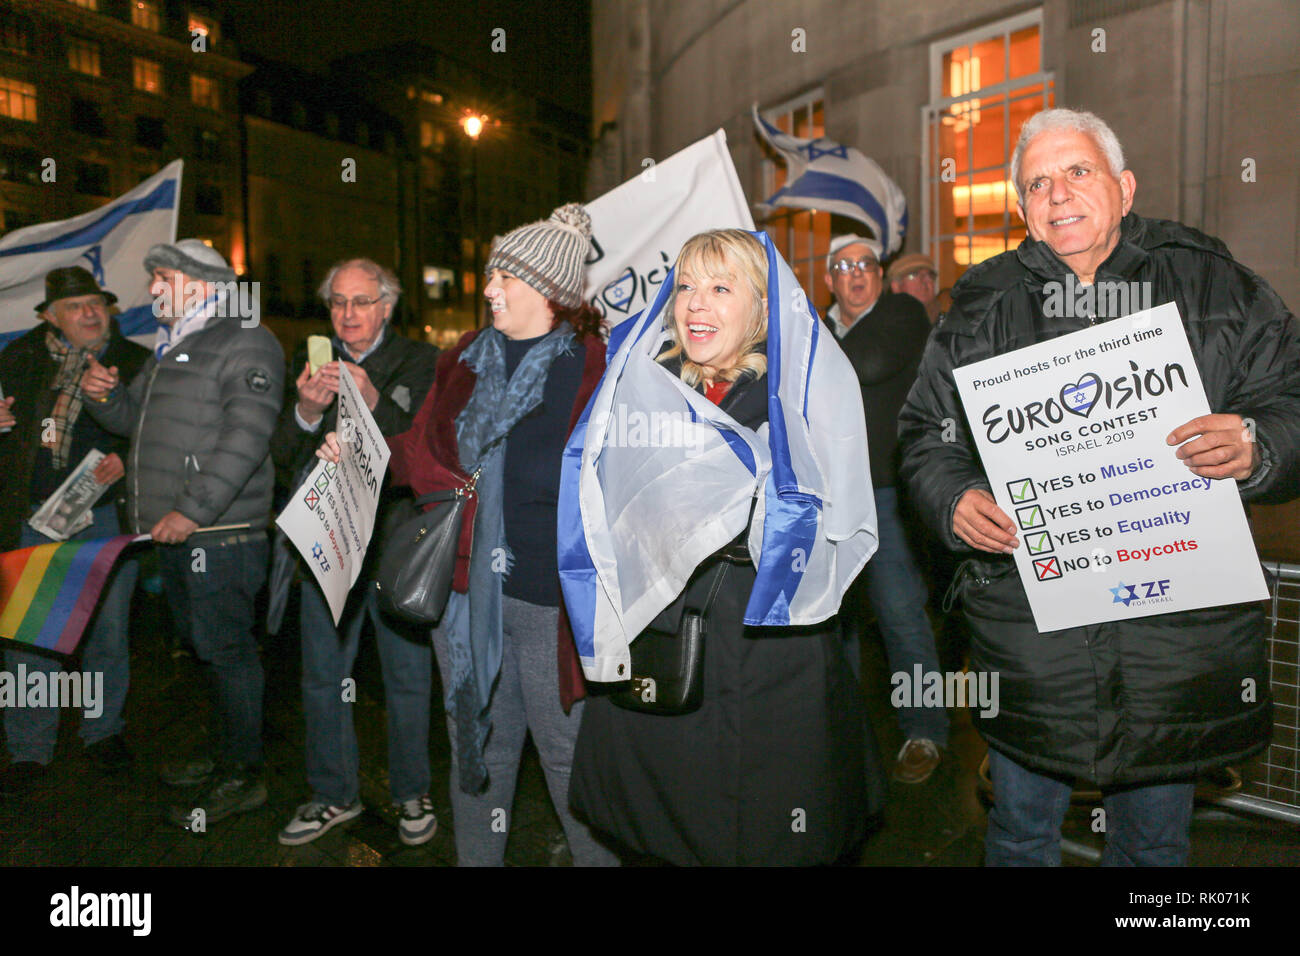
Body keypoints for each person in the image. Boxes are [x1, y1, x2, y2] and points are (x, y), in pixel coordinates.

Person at [898, 108, 1300, 865]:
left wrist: (1260, 443)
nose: (1058, 194)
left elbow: (1294, 396)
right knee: (1018, 838)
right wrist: (951, 500)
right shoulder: (980, 304)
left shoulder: (1214, 282)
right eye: (1038, 183)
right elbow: (925, 435)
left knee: (1153, 848)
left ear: (1123, 186)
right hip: (1033, 649)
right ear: (1022, 210)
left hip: (1173, 655)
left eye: (1077, 172)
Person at [566, 229, 880, 865]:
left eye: (719, 288)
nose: (695, 305)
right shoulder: (648, 387)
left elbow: (810, 527)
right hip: (663, 634)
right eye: (684, 287)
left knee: (752, 828)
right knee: (660, 824)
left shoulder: (794, 399)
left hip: (759, 648)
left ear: (763, 311)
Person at [318, 204, 614, 866]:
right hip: (463, 593)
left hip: (550, 603)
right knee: (477, 751)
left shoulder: (595, 369)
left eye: (503, 276)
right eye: (490, 275)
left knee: (568, 764)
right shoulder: (462, 361)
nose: (487, 290)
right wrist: (359, 451)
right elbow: (419, 450)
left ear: (548, 288)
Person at [81, 240, 284, 827]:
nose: (151, 291)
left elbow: (246, 437)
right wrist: (107, 396)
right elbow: (129, 424)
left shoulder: (247, 339)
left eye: (161, 278)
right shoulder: (173, 346)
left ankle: (245, 775)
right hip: (176, 535)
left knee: (227, 651)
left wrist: (193, 510)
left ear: (198, 283)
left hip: (219, 533)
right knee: (205, 649)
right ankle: (225, 753)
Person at [272, 258, 440, 847]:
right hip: (328, 541)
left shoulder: (422, 361)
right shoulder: (310, 359)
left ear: (387, 306)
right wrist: (308, 411)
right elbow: (281, 450)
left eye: (361, 302)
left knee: (407, 677)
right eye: (339, 302)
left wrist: (374, 402)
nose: (348, 314)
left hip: (397, 545)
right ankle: (333, 795)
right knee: (323, 676)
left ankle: (412, 791)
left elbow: (425, 454)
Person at [0, 267, 148, 794]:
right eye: (75, 306)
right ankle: (28, 751)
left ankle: (103, 733)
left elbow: (161, 431)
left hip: (104, 516)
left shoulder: (133, 361)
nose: (89, 314)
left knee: (107, 633)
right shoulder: (17, 359)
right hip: (34, 516)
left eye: (96, 303)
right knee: (28, 637)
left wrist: (129, 461)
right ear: (49, 317)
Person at [823, 234, 950, 784]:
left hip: (884, 494)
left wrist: (802, 360)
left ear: (879, 274)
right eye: (843, 266)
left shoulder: (899, 312)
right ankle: (844, 734)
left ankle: (925, 731)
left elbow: (870, 364)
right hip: (827, 499)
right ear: (829, 278)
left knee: (901, 614)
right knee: (835, 623)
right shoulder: (820, 330)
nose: (856, 274)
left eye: (866, 264)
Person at [887, 252, 946, 324]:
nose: (925, 281)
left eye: (930, 276)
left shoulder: (946, 322)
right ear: (896, 286)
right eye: (914, 275)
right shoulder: (886, 324)